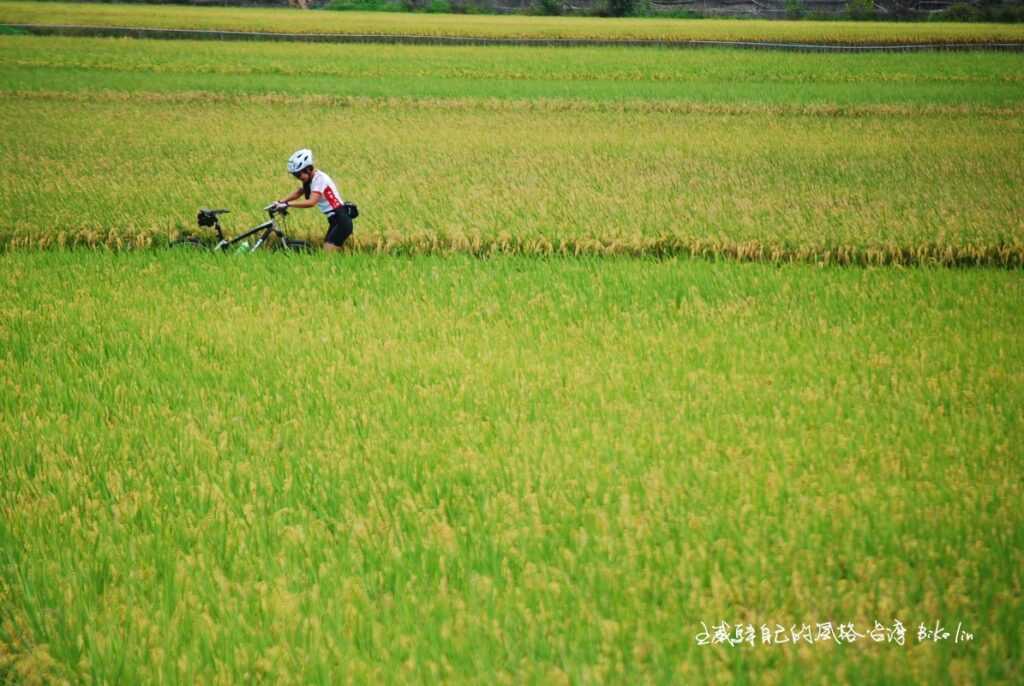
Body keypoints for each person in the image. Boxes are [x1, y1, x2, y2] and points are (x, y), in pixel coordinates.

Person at [273, 149, 352, 252]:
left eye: (298, 175)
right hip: (334, 221)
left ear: (309, 169)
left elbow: (311, 202)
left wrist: (287, 204)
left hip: (341, 219)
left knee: (327, 254)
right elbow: (299, 191)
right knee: (328, 254)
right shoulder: (311, 179)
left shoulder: (320, 179)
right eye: (295, 175)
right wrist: (280, 202)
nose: (298, 178)